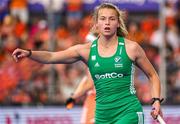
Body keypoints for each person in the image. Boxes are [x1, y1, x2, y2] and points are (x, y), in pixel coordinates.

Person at [12, 3, 163, 124]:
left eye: (112, 19)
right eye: (103, 19)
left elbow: (153, 75)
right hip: (102, 115)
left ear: (118, 23)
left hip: (128, 112)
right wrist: (29, 53)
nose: (107, 23)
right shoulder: (86, 51)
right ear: (96, 24)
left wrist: (156, 101)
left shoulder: (132, 48)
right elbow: (52, 57)